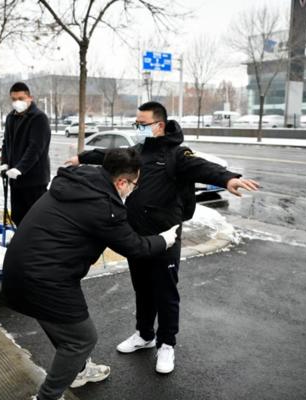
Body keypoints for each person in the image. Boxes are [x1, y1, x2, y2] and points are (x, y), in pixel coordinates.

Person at [68, 101, 260, 374]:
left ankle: (166, 343)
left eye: (141, 123)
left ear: (158, 126)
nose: (137, 127)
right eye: (135, 122)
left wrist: (228, 178)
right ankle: (144, 335)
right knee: (143, 289)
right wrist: (83, 157)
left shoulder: (176, 154)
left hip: (166, 236)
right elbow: (111, 155)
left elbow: (203, 167)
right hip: (137, 236)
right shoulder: (138, 151)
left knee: (165, 293)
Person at [2, 148, 179, 400]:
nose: (133, 190)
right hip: (45, 279)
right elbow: (134, 247)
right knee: (82, 339)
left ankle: (80, 370)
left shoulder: (78, 181)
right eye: (134, 185)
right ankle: (47, 397)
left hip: (21, 269)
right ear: (121, 182)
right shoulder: (104, 207)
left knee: (66, 330)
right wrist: (163, 240)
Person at [0, 82, 51, 226]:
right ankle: (21, 244)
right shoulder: (11, 118)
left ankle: (37, 246)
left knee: (36, 220)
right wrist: (4, 162)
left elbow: (36, 148)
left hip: (34, 180)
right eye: (14, 99)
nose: (17, 102)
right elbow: (6, 143)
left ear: (30, 98)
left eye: (21, 98)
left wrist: (20, 168)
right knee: (18, 216)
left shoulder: (38, 118)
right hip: (15, 179)